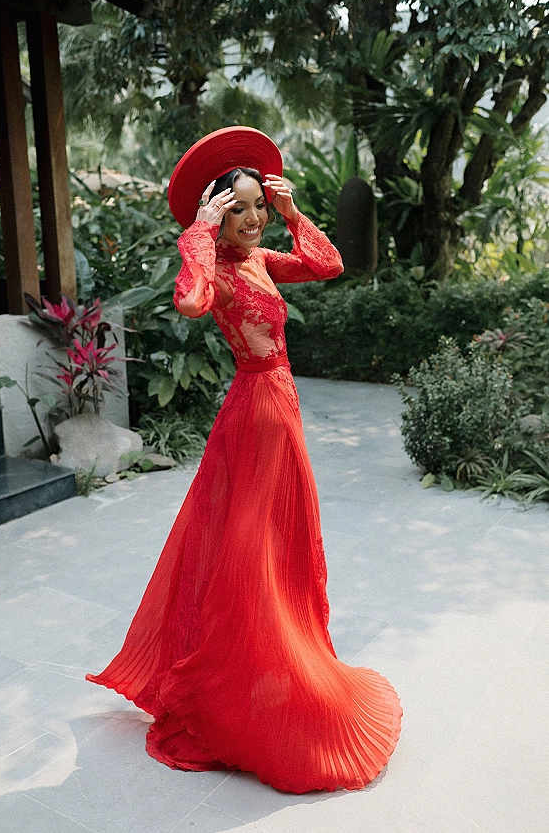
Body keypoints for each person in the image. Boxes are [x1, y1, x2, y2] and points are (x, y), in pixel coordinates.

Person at [87, 127, 402, 794]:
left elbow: (328, 264)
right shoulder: (222, 272)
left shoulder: (260, 258)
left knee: (278, 548)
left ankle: (272, 664)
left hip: (281, 411)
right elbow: (188, 302)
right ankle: (244, 683)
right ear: (218, 215)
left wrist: (292, 212)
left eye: (259, 204)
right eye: (241, 208)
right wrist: (198, 235)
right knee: (249, 554)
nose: (254, 218)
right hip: (256, 415)